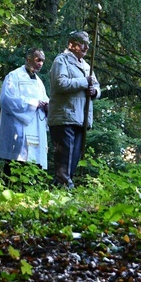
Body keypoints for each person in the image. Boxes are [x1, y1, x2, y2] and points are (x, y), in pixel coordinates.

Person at [48, 30, 101, 188]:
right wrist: (85, 82)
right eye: (81, 43)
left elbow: (96, 86)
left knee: (73, 158)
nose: (85, 47)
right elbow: (60, 83)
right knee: (64, 159)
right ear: (72, 44)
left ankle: (60, 189)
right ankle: (64, 189)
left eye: (87, 44)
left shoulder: (86, 65)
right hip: (64, 116)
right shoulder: (61, 60)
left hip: (81, 118)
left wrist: (95, 92)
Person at [0, 48, 49, 174]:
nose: (40, 63)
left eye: (42, 61)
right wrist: (33, 103)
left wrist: (47, 107)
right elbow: (6, 100)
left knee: (32, 169)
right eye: (38, 60)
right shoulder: (14, 76)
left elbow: (45, 100)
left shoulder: (39, 82)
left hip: (36, 130)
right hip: (18, 130)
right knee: (14, 169)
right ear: (28, 59)